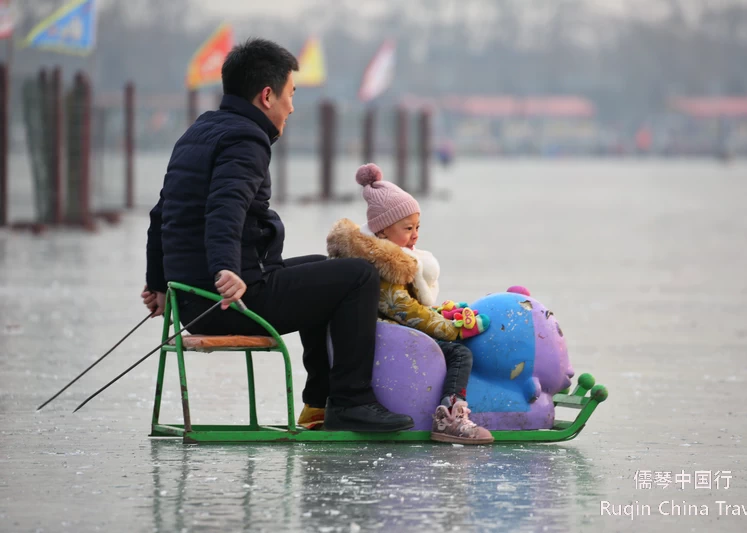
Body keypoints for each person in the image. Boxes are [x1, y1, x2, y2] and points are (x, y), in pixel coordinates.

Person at [140, 38, 413, 433]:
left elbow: (160, 213)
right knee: (359, 276)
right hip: (231, 300)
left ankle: (319, 403)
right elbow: (225, 208)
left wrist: (158, 283)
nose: (292, 106)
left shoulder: (200, 131)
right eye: (290, 94)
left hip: (192, 302)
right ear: (267, 96)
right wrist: (225, 269)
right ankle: (353, 400)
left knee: (325, 269)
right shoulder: (246, 139)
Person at [326, 163, 494, 444]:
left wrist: (441, 312)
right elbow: (404, 310)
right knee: (459, 354)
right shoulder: (383, 267)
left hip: (390, 333)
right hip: (390, 339)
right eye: (407, 228)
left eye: (418, 227)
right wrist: (451, 328)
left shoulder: (381, 260)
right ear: (381, 232)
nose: (415, 234)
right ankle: (451, 416)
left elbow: (409, 308)